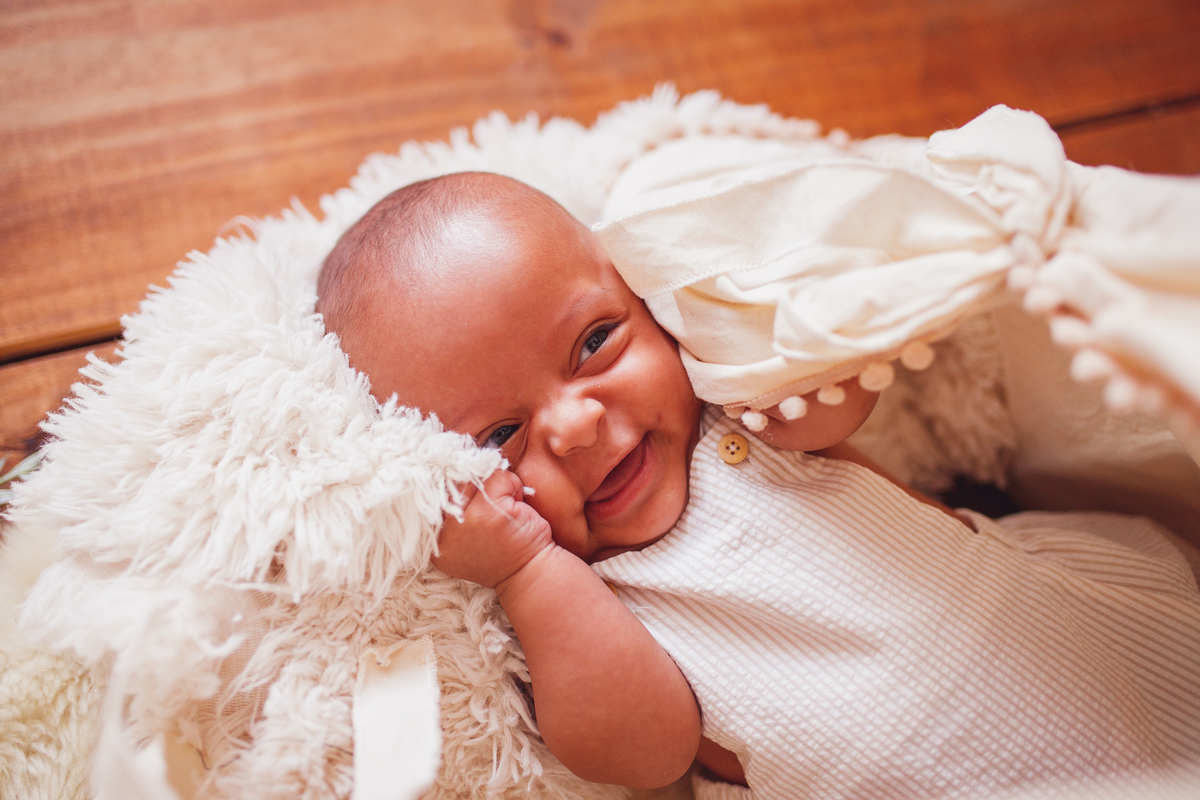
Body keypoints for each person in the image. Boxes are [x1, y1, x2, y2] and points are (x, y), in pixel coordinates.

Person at [316, 171, 1200, 799]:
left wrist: (743, 345)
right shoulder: (584, 595)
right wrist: (522, 572)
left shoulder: (735, 415)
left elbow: (839, 390)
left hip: (1088, 643)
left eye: (596, 344)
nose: (577, 424)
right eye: (502, 437)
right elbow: (641, 751)